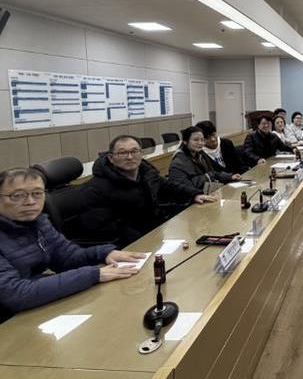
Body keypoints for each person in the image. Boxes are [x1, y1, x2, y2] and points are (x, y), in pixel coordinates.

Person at [0, 167, 146, 322]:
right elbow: (15, 294)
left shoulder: (39, 222)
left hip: (32, 307)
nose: (30, 202)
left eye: (37, 193)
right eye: (17, 196)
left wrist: (104, 253)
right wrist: (93, 274)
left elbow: (67, 257)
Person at [80, 135, 215, 246]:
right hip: (129, 245)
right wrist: (146, 241)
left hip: (154, 234)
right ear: (111, 158)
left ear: (141, 154)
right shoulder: (97, 188)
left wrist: (194, 195)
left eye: (134, 151)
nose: (129, 157)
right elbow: (111, 228)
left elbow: (169, 186)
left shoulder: (146, 173)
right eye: (122, 153)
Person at [169, 127, 241, 192]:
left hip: (206, 193)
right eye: (196, 140)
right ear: (185, 141)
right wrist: (207, 176)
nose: (200, 143)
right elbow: (184, 188)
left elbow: (213, 173)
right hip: (192, 198)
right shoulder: (178, 162)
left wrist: (229, 176)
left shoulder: (201, 154)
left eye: (202, 140)